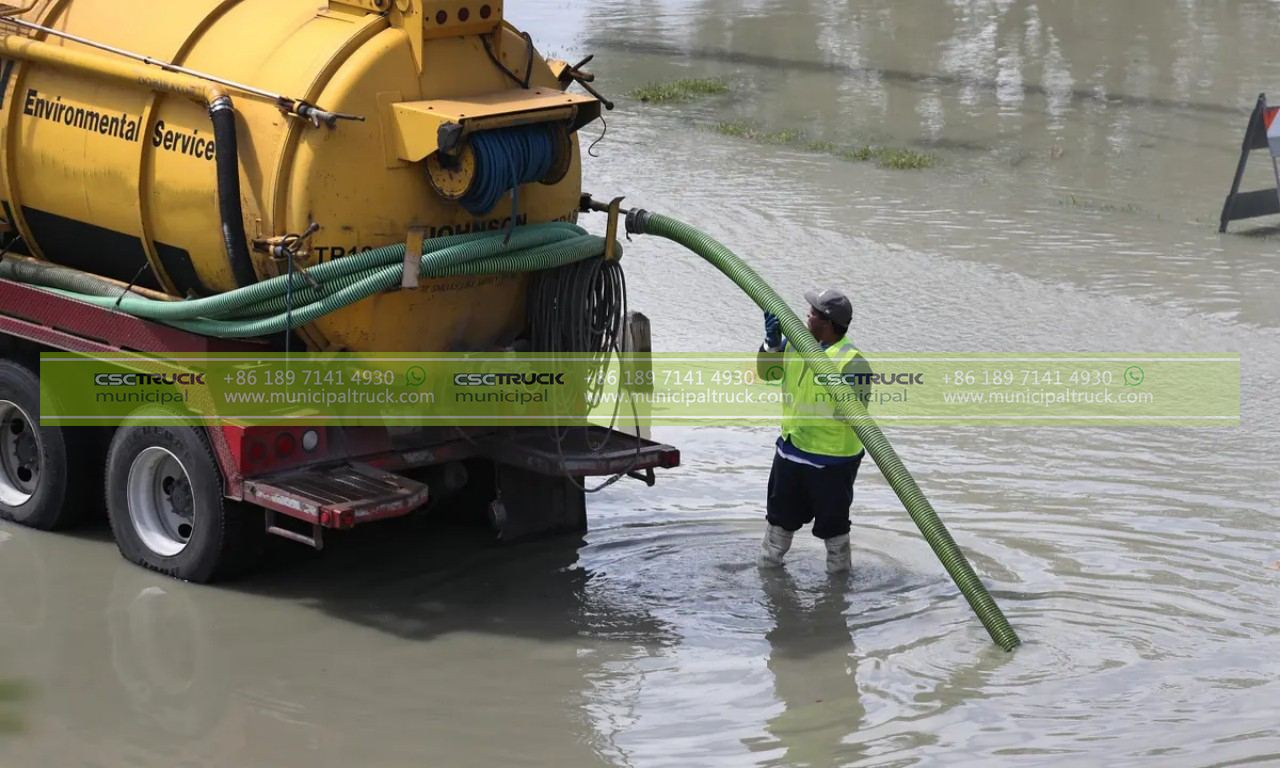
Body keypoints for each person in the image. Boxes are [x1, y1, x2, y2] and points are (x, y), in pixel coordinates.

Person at [756, 288, 872, 574]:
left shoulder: (853, 362)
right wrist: (771, 345)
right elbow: (767, 374)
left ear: (828, 323)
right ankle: (769, 577)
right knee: (778, 522)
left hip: (830, 462)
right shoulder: (794, 344)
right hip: (791, 451)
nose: (806, 314)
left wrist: (830, 376)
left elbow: (852, 415)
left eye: (813, 312)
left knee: (834, 530)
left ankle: (839, 581)